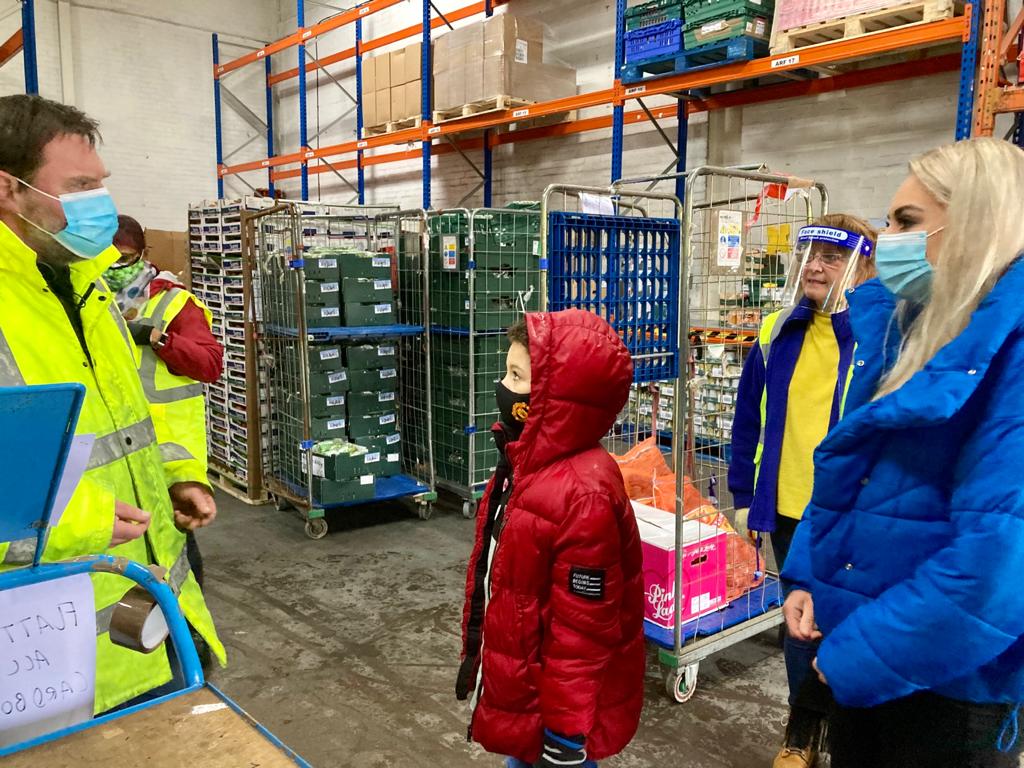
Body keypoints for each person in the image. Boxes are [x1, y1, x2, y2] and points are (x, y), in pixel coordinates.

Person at [782, 137, 1024, 768]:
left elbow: (998, 568)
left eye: (907, 223)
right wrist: (811, 575)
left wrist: (857, 656)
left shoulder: (1013, 359)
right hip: (869, 649)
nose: (887, 240)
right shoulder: (909, 333)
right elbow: (852, 479)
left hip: (948, 686)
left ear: (974, 224)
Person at [0, 94, 225, 713]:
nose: (99, 205)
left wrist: (177, 476)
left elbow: (130, 417)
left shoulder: (87, 285)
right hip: (47, 659)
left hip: (155, 616)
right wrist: (81, 522)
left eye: (101, 185)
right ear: (8, 190)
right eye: (77, 187)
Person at [457, 310, 645, 768]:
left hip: (557, 719)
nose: (502, 386)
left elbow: (583, 628)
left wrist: (565, 732)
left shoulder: (584, 494)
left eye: (516, 376)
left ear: (554, 396)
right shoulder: (527, 465)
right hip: (530, 691)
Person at [728, 214, 876, 768]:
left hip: (853, 513)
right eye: (809, 252)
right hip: (789, 507)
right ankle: (801, 727)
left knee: (847, 621)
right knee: (799, 624)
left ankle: (843, 726)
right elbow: (746, 419)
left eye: (831, 257)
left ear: (862, 266)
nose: (815, 264)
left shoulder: (875, 335)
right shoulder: (775, 330)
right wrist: (744, 493)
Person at [104, 214, 223, 591]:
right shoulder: (84, 300)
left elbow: (210, 364)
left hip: (165, 461)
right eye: (106, 260)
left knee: (175, 561)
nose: (115, 269)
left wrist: (159, 338)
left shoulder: (174, 303)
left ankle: (191, 643)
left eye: (124, 259)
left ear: (142, 254)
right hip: (108, 460)